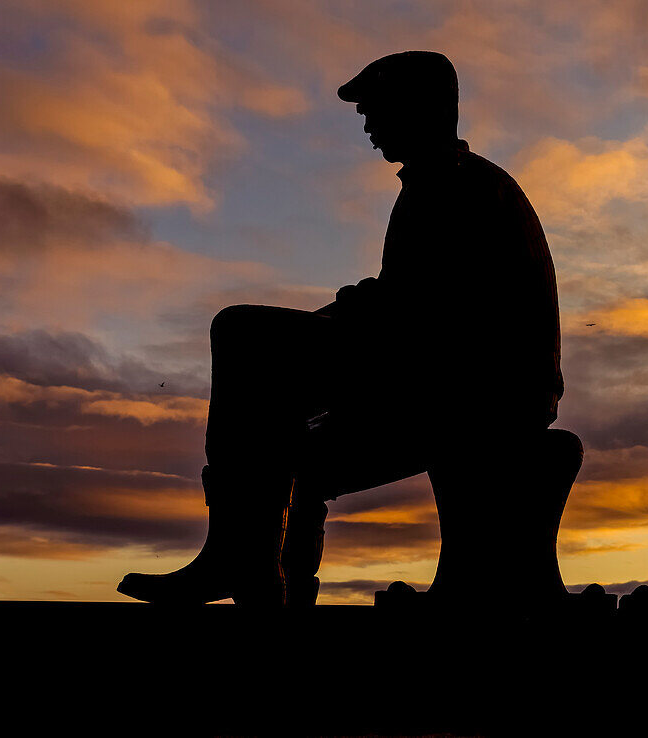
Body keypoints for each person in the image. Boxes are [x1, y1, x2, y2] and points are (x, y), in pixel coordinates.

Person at [117, 51, 564, 607]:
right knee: (281, 423)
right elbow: (411, 298)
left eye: (376, 111)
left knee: (242, 334)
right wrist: (350, 310)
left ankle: (240, 558)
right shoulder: (444, 183)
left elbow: (428, 315)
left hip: (482, 390)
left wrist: (341, 320)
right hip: (460, 378)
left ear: (421, 108)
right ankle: (265, 577)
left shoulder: (457, 186)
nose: (370, 127)